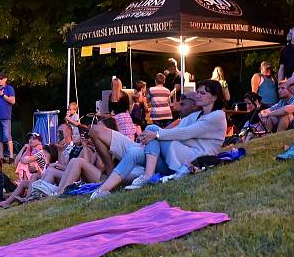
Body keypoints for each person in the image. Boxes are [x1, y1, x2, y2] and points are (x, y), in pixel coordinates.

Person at [92, 80, 226, 198]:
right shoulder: (197, 114)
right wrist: (153, 136)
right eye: (198, 92)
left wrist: (156, 135)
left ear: (214, 97)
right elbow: (175, 131)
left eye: (202, 93)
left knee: (153, 130)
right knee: (135, 151)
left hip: (190, 160)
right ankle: (100, 191)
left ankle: (148, 175)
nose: (198, 95)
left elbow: (186, 132)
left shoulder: (217, 116)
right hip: (175, 156)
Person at [0, 72, 16, 162]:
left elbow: (13, 101)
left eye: (1, 79)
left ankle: (11, 157)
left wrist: (3, 95)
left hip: (5, 117)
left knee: (8, 137)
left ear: (5, 79)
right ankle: (1, 157)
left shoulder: (9, 89)